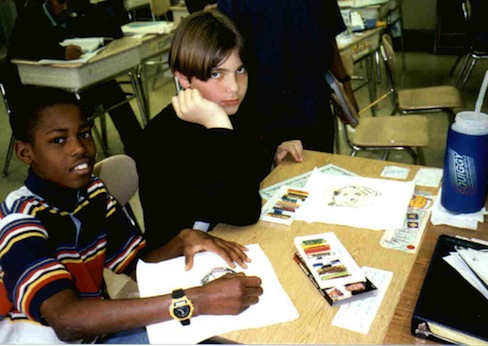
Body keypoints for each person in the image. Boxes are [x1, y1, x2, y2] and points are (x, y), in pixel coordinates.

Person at [0, 86, 263, 344]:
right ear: (26, 152)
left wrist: (181, 241)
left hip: (95, 334)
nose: (78, 148)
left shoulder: (92, 192)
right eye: (58, 140)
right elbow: (67, 321)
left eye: (84, 134)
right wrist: (198, 300)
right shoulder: (19, 220)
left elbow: (138, 265)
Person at [136, 10, 303, 253]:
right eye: (216, 74)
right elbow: (244, 210)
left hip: (228, 238)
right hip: (180, 260)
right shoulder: (162, 137)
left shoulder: (234, 110)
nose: (234, 87)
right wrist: (218, 126)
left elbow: (247, 170)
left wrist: (273, 153)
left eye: (240, 70)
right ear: (183, 77)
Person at [4, 0, 143, 159]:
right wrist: (59, 53)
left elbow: (114, 31)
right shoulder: (30, 17)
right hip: (38, 92)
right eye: (61, 2)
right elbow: (19, 52)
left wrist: (94, 11)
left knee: (109, 86)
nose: (65, 7)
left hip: (71, 84)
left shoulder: (76, 10)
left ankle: (137, 147)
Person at [217, 0, 360, 154]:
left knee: (318, 169)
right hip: (260, 112)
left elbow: (329, 39)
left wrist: (345, 87)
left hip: (313, 105)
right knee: (268, 173)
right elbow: (224, 47)